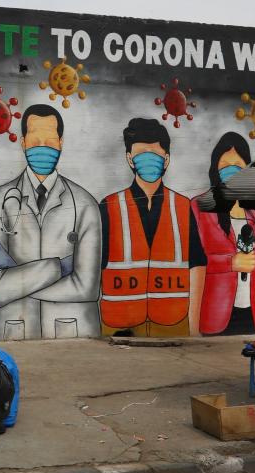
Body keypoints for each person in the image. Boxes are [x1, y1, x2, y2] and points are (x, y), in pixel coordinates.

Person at [0, 104, 101, 340]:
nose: (42, 147)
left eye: (50, 140)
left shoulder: (85, 204)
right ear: (23, 143)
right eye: (35, 140)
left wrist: (16, 272)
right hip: (15, 334)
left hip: (76, 337)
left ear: (61, 143)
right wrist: (61, 268)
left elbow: (87, 287)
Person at [99, 118, 208, 337]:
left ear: (166, 159)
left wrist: (193, 326)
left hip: (173, 321)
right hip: (119, 323)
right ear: (129, 159)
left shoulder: (182, 205)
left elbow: (197, 264)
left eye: (155, 154)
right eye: (141, 154)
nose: (148, 159)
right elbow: (95, 267)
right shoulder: (109, 206)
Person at [193, 132, 255, 335]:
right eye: (225, 165)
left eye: (237, 165)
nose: (231, 170)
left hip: (254, 308)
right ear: (215, 168)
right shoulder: (199, 206)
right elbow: (192, 261)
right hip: (216, 310)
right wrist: (230, 263)